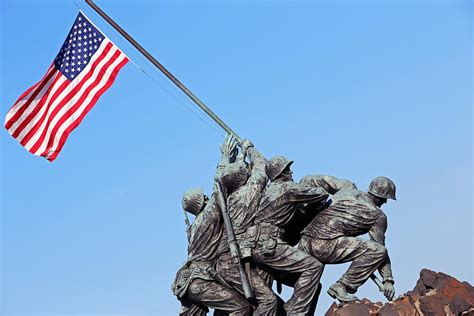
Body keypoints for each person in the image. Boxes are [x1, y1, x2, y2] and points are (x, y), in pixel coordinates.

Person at [171, 135, 252, 316]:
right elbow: (219, 187)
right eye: (204, 197)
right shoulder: (207, 217)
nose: (207, 197)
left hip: (192, 279)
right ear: (202, 202)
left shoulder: (194, 228)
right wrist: (228, 158)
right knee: (242, 307)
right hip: (199, 280)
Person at [249, 156, 329, 315]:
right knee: (314, 267)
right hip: (270, 245)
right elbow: (322, 194)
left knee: (313, 284)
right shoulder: (289, 188)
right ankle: (295, 312)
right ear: (280, 174)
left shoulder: (268, 191)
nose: (291, 172)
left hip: (257, 245)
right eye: (287, 169)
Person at [298, 175, 396, 303]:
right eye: (385, 199)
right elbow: (380, 249)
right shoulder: (377, 216)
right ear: (381, 197)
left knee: (308, 290)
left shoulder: (347, 188)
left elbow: (312, 179)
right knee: (378, 251)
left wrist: (303, 202)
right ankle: (342, 286)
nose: (385, 202)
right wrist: (387, 280)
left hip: (304, 242)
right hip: (323, 246)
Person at [216, 139, 279, 316]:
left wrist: (226, 158)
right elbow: (262, 167)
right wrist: (249, 148)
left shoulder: (224, 200)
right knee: (268, 301)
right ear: (243, 178)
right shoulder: (250, 192)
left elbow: (219, 181)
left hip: (225, 262)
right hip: (237, 261)